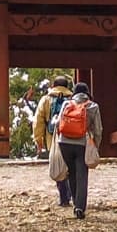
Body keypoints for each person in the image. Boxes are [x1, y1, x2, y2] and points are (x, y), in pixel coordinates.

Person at [54, 81, 103, 219]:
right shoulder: (93, 106)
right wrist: (95, 146)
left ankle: (76, 202)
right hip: (82, 144)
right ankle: (79, 207)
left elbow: (58, 124)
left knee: (72, 172)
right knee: (82, 174)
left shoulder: (67, 104)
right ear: (87, 93)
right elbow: (98, 129)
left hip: (64, 143)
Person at [31, 73, 75, 208]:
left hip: (53, 138)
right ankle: (72, 194)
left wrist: (38, 140)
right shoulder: (73, 99)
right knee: (71, 167)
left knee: (57, 166)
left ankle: (64, 197)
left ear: (53, 86)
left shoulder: (46, 99)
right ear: (67, 87)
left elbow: (38, 122)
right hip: (72, 137)